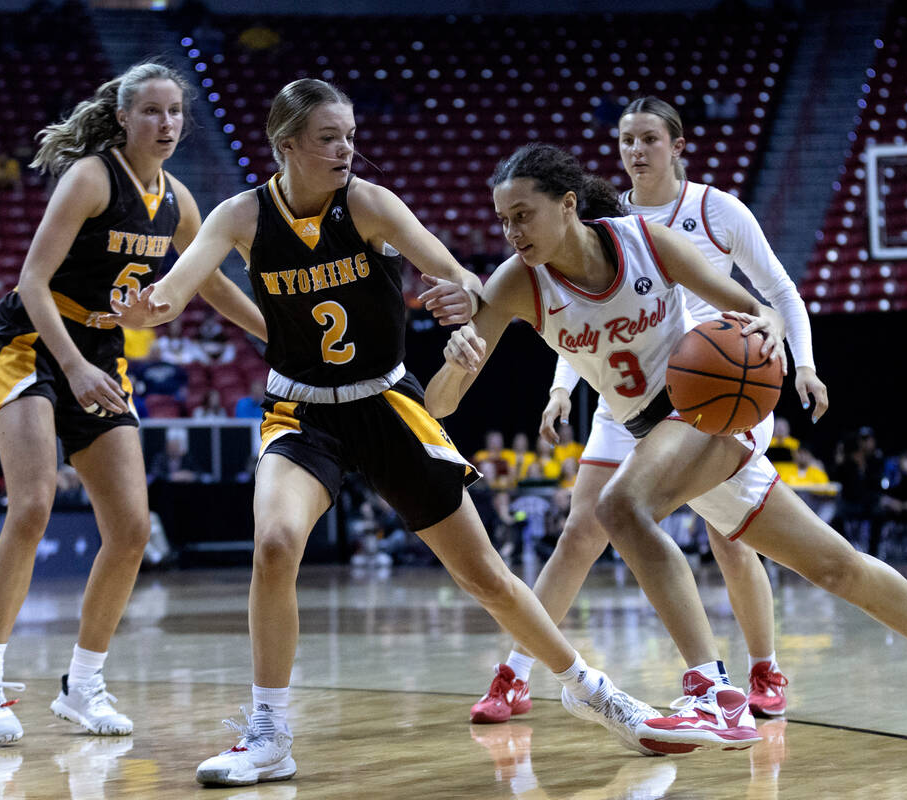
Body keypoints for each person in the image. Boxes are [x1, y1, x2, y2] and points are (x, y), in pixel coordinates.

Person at [108, 78, 661, 786]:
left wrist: (463, 304)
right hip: (300, 410)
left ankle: (592, 690)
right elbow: (175, 291)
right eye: (329, 138)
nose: (347, 148)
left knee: (486, 577)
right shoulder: (241, 216)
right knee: (275, 543)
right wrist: (146, 308)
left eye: (349, 134)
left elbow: (454, 271)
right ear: (286, 146)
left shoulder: (367, 202)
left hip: (386, 403)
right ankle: (271, 730)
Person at [425, 142, 907, 761]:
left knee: (618, 507)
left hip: (713, 406)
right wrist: (452, 364)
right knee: (834, 566)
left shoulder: (645, 243)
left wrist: (765, 330)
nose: (511, 231)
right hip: (653, 433)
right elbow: (443, 404)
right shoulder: (518, 284)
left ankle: (713, 692)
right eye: (503, 220)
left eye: (522, 214)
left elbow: (752, 306)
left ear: (567, 204)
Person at [450, 98, 827, 727]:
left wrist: (805, 362)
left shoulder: (715, 209)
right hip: (623, 396)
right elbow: (577, 319)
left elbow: (778, 292)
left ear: (677, 146)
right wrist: (561, 388)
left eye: (649, 139)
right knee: (580, 532)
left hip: (710, 383)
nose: (635, 151)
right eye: (626, 140)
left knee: (730, 538)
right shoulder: (606, 218)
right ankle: (515, 673)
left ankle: (760, 670)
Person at [0, 63, 266, 747]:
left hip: (99, 354)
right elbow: (31, 282)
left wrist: (276, 336)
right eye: (151, 112)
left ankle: (83, 685)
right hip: (35, 344)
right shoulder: (92, 178)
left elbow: (207, 282)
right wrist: (69, 365)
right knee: (33, 503)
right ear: (123, 118)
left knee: (131, 528)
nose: (166, 124)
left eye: (176, 112)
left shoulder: (180, 202)